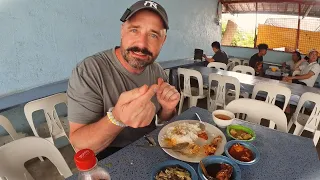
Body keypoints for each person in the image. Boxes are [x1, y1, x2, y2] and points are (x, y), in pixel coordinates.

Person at [67, 0, 180, 160]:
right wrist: (117, 118)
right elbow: (79, 146)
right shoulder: (89, 71)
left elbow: (166, 121)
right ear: (122, 31)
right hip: (109, 156)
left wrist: (167, 109)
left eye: (153, 35)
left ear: (163, 41)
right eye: (134, 30)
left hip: (151, 147)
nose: (142, 43)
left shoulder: (157, 71)